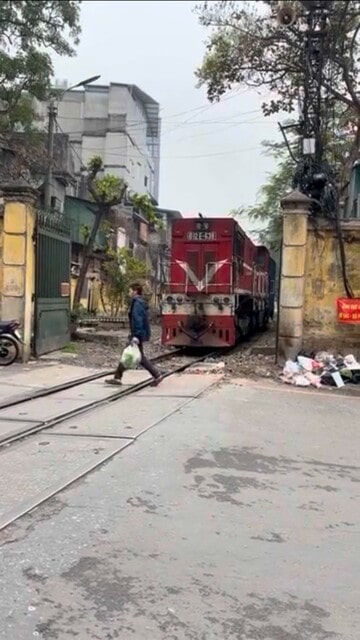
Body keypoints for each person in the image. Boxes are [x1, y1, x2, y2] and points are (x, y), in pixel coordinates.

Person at [106, 283, 161, 386]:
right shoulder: (139, 302)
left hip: (137, 334)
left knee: (137, 357)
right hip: (137, 333)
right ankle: (117, 377)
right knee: (128, 354)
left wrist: (136, 336)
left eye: (130, 290)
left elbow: (137, 320)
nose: (129, 292)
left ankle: (156, 375)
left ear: (135, 291)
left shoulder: (137, 304)